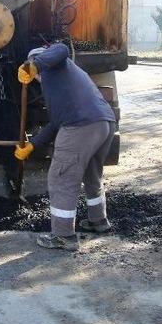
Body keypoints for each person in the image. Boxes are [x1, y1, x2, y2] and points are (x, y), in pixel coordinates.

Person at [15, 43, 117, 251]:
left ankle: (63, 236)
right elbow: (55, 122)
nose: (34, 76)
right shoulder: (62, 80)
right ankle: (98, 221)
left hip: (81, 126)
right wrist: (32, 146)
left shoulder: (57, 62)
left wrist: (35, 64)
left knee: (61, 178)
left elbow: (61, 48)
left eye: (33, 71)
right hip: (103, 123)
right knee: (92, 173)